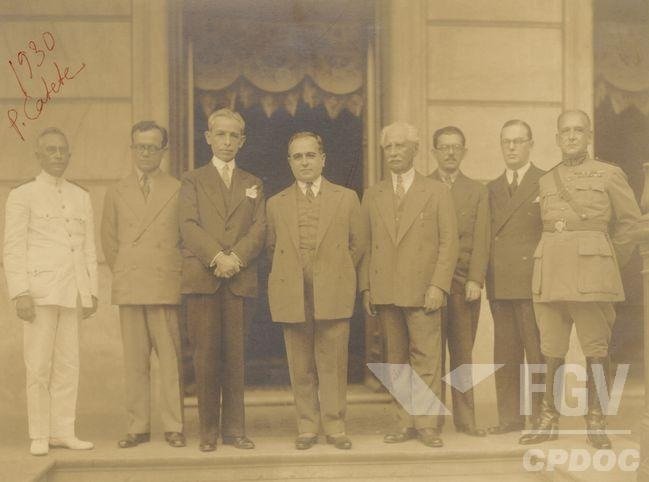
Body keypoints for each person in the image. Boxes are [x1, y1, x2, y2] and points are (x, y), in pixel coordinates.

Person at [520, 110, 641, 449]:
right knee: (551, 350)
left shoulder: (609, 174)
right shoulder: (546, 180)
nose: (571, 136)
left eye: (578, 130)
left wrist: (605, 257)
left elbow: (631, 223)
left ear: (589, 136)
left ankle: (597, 419)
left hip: (592, 277)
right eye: (565, 131)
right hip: (551, 274)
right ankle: (548, 419)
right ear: (557, 139)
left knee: (596, 349)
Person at [360, 121, 458, 448]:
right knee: (396, 361)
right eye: (389, 147)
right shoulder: (373, 194)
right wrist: (367, 289)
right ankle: (404, 423)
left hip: (423, 291)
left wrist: (438, 286)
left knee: (427, 359)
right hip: (386, 291)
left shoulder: (437, 191)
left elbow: (449, 244)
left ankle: (427, 425)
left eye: (401, 146)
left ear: (415, 150)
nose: (394, 153)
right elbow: (364, 244)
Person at [266, 132, 366, 451]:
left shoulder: (347, 198)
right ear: (289, 162)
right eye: (298, 157)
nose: (305, 162)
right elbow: (272, 248)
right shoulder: (275, 204)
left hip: (333, 290)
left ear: (323, 159)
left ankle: (335, 426)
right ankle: (307, 426)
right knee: (300, 363)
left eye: (310, 155)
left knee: (333, 362)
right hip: (293, 292)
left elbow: (358, 244)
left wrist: (334, 271)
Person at [3, 127, 98, 456]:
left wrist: (90, 292)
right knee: (39, 366)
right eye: (51, 150)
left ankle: (63, 431)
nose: (58, 156)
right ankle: (39, 433)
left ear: (69, 155)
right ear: (39, 156)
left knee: (69, 365)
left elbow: (87, 249)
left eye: (62, 150)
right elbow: (13, 249)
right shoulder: (22, 195)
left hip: (72, 292)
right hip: (39, 292)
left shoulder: (80, 196)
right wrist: (20, 293)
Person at [179, 108, 265, 452]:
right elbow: (187, 225)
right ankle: (208, 434)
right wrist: (217, 257)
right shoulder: (192, 180)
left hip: (239, 280)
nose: (227, 142)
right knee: (205, 357)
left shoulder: (253, 183)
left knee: (235, 358)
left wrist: (237, 259)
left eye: (234, 136)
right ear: (208, 138)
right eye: (221, 134)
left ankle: (235, 430)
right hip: (204, 278)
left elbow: (260, 228)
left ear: (242, 141)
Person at [101, 121, 185, 449]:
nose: (146, 153)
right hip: (131, 284)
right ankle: (137, 426)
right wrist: (126, 270)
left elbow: (184, 240)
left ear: (164, 151)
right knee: (135, 362)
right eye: (140, 146)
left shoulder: (178, 188)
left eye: (153, 147)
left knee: (170, 361)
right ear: (132, 149)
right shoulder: (117, 190)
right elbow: (109, 240)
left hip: (164, 285)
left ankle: (174, 425)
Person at [485, 120, 545, 436]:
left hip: (533, 283)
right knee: (505, 354)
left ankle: (539, 418)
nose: (511, 147)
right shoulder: (491, 188)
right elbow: (484, 238)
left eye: (518, 141)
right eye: (506, 141)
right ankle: (510, 418)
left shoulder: (546, 181)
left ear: (530, 144)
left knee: (536, 353)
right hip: (501, 284)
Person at [429, 126, 489, 437]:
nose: (450, 153)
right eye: (444, 147)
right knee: (431, 354)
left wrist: (475, 279)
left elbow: (482, 239)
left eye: (456, 147)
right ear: (434, 152)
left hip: (465, 285)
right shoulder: (422, 187)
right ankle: (432, 422)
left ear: (464, 152)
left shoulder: (477, 190)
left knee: (463, 354)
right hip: (431, 287)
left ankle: (466, 421)